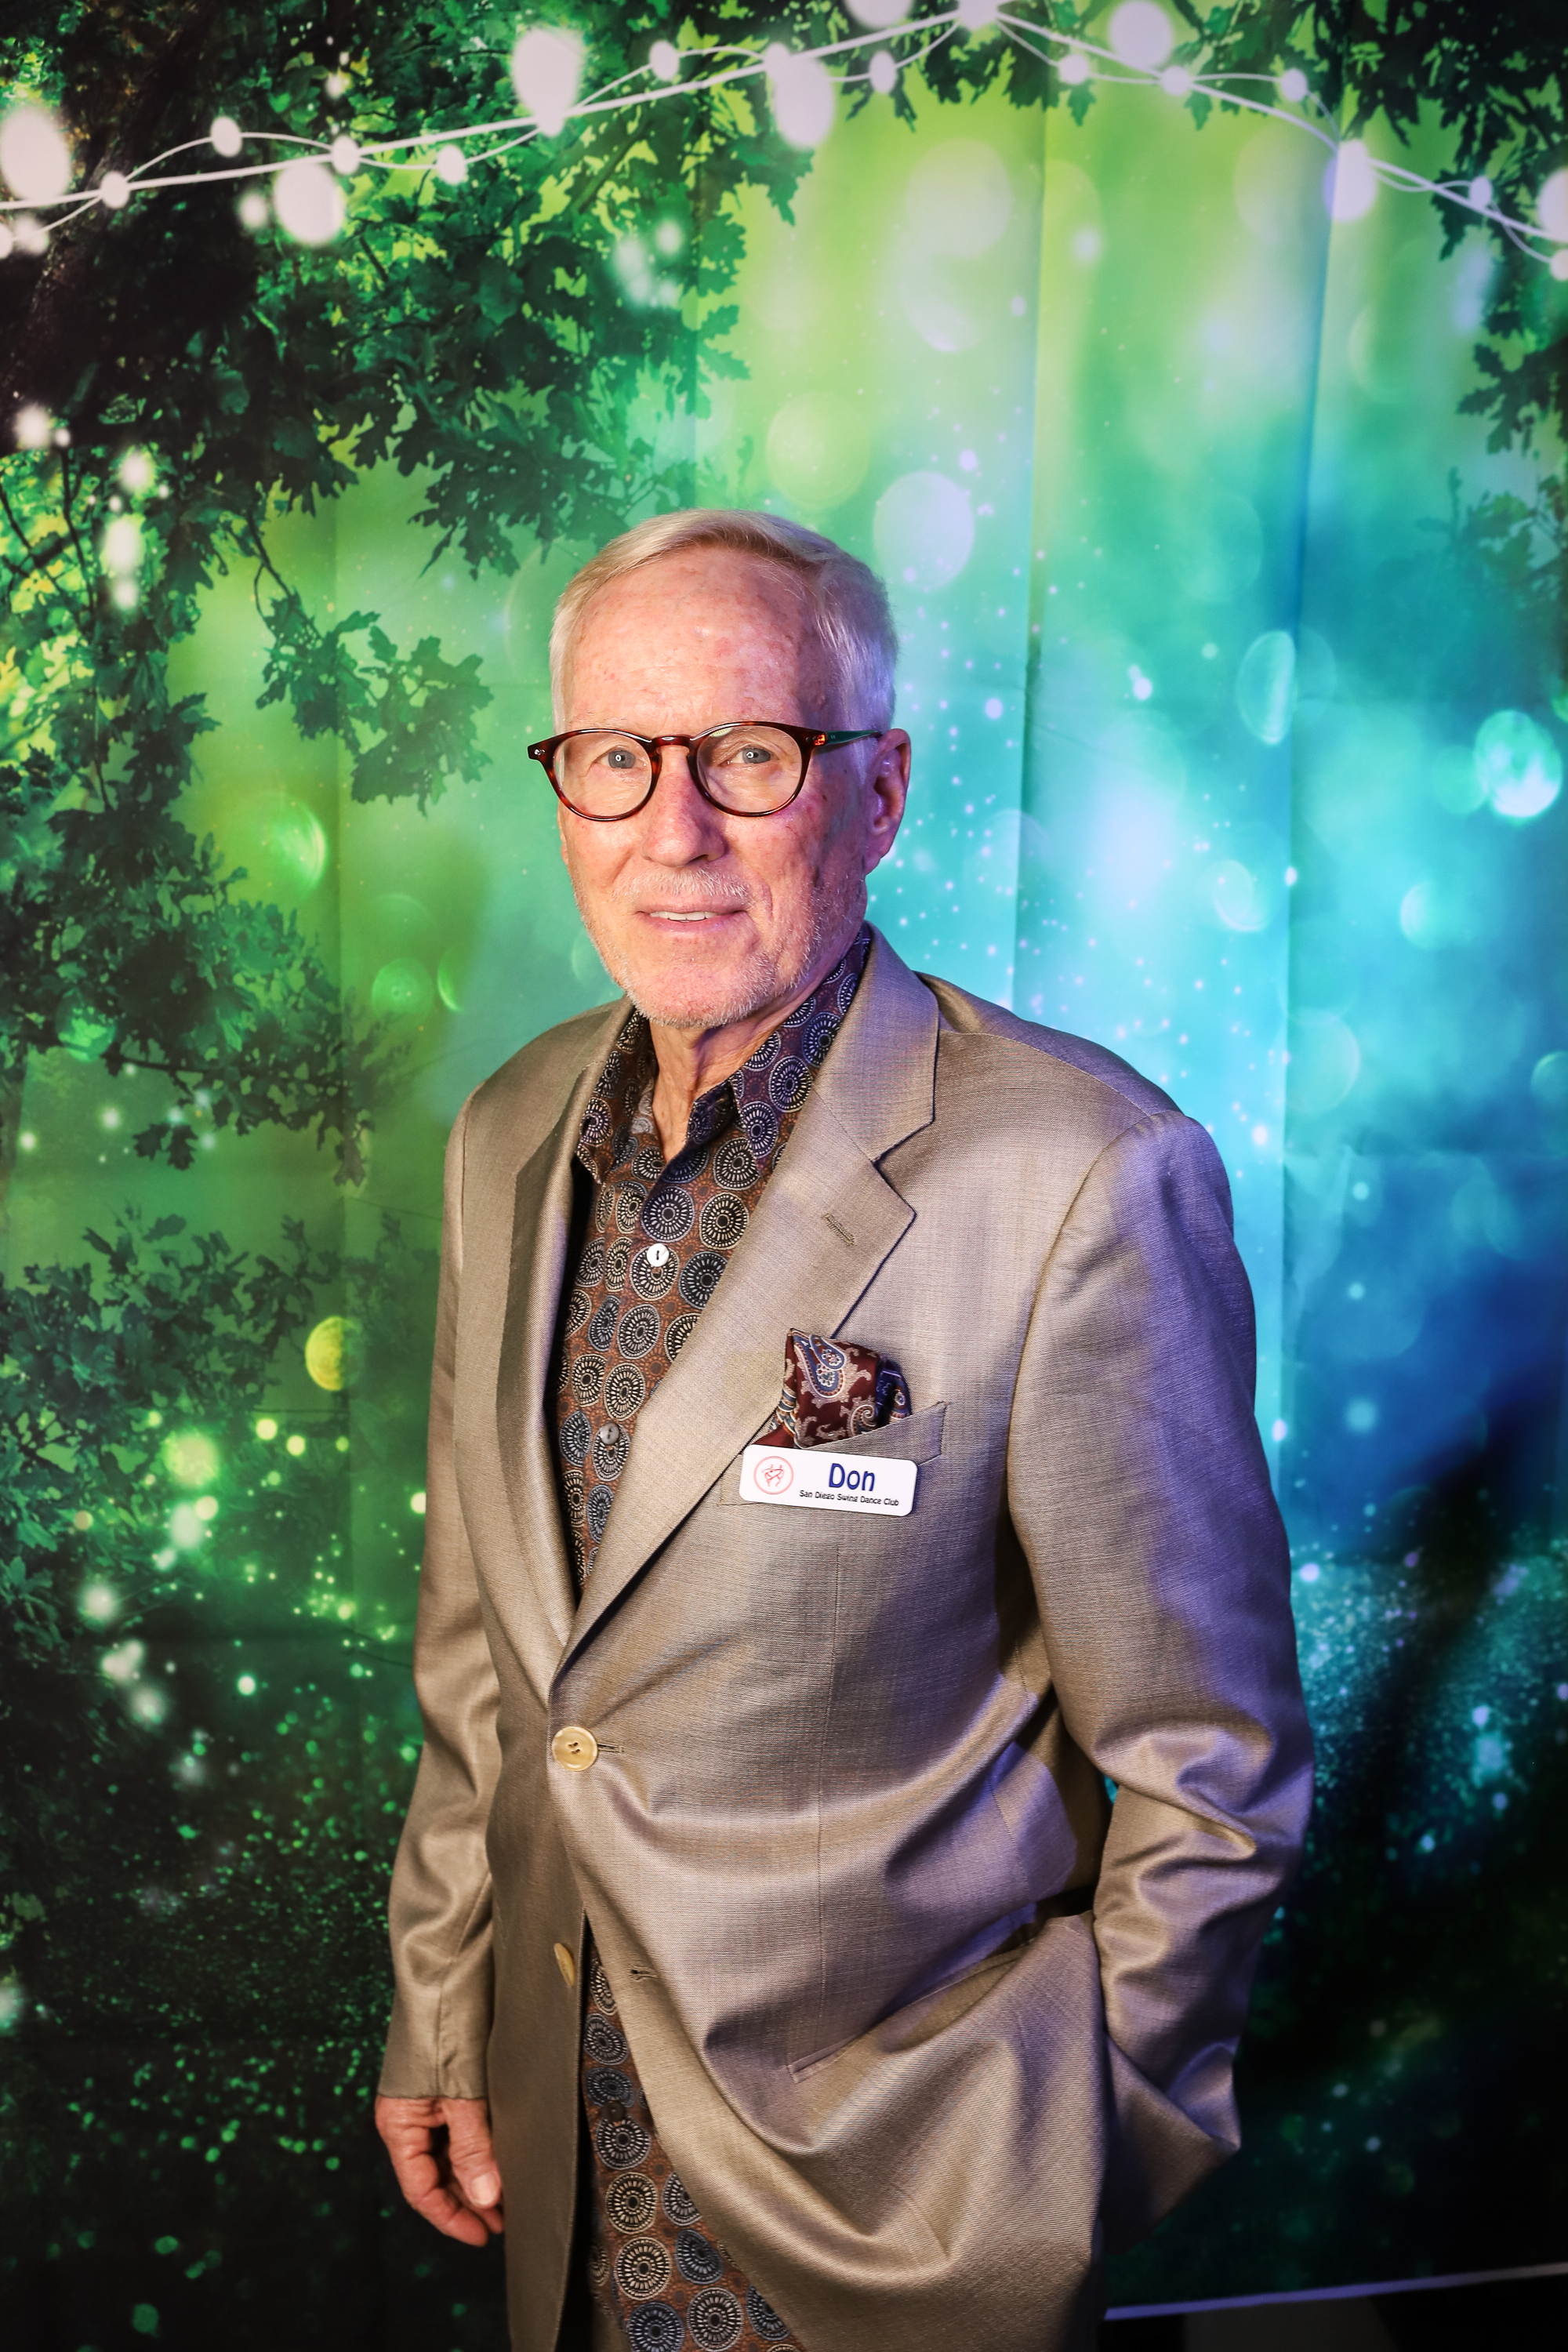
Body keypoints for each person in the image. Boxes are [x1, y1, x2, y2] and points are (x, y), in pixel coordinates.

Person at [374, 509, 1312, 2352]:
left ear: (877, 792)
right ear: (562, 788)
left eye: (749, 753)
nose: (672, 829)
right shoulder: (507, 1136)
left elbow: (1211, 1764)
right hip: (565, 2167)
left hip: (905, 2205)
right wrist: (439, 2005)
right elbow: (486, 1661)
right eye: (616, 757)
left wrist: (1058, 2166)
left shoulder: (1081, 1172)